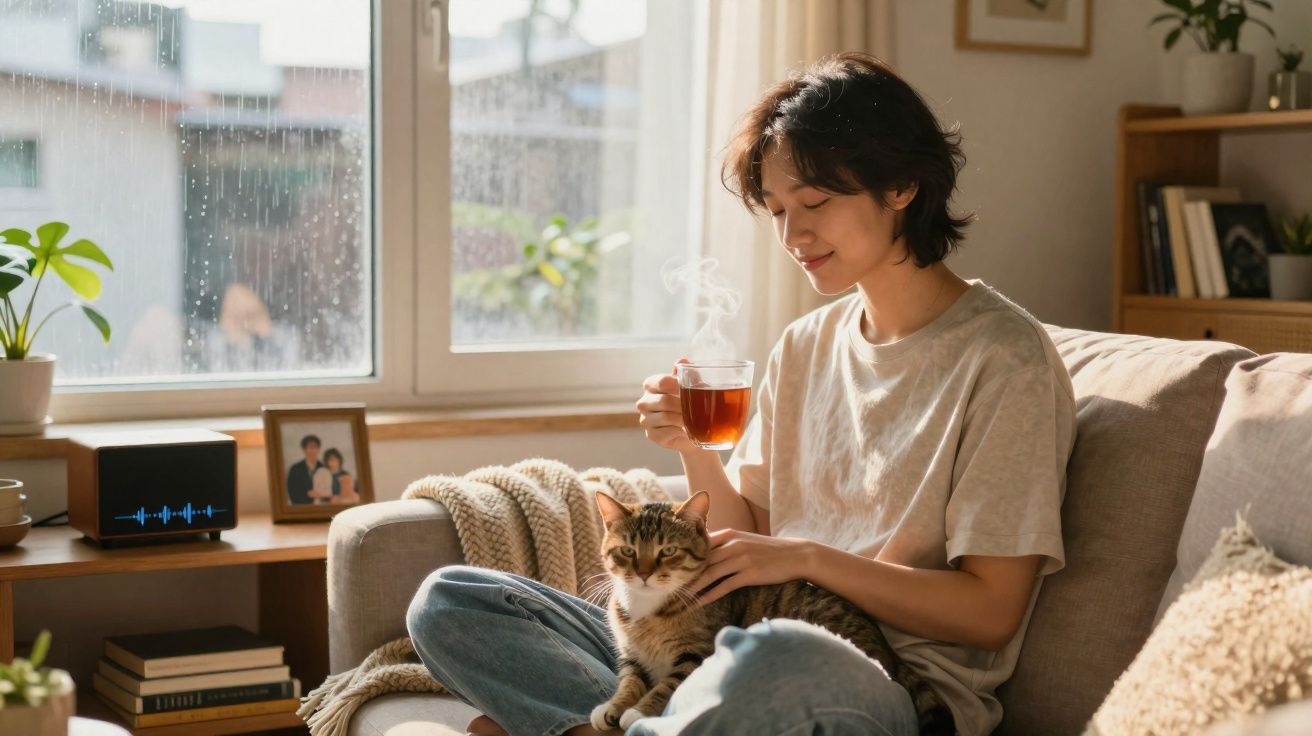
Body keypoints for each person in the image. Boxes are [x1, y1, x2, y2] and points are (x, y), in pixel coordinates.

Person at [406, 52, 1075, 736]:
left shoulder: (1005, 359)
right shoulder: (806, 344)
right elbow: (740, 538)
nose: (792, 235)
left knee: (776, 656)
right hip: (727, 637)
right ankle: (638, 724)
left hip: (870, 684)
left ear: (902, 184)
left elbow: (991, 612)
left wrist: (809, 558)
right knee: (451, 601)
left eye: (814, 203)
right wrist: (694, 447)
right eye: (778, 210)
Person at [286, 434, 323, 505]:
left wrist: (321, 495)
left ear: (319, 449)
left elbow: (331, 491)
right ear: (304, 450)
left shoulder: (324, 468)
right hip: (302, 508)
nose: (312, 450)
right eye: (309, 447)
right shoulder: (295, 469)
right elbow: (292, 491)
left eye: (315, 447)